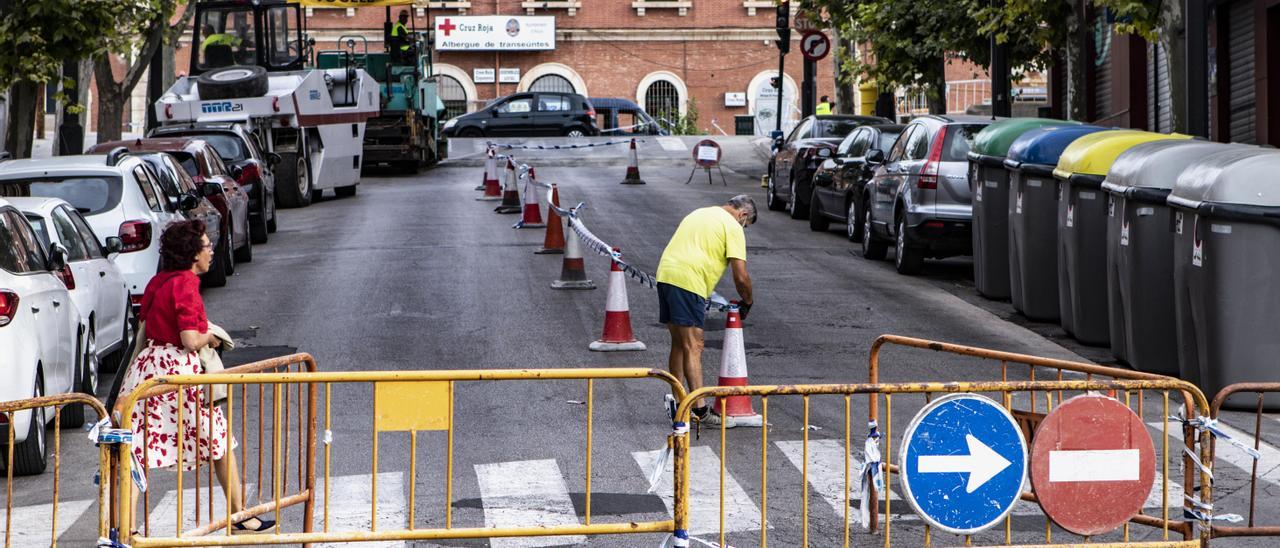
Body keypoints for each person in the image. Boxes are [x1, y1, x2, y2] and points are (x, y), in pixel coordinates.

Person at [115, 220, 273, 533]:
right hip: (177, 373)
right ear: (192, 253)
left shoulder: (158, 281)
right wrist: (210, 338)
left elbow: (146, 329)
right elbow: (189, 339)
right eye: (206, 245)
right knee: (218, 438)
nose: (211, 250)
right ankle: (240, 515)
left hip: (147, 369)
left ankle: (125, 530)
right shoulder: (186, 283)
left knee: (135, 450)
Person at [656, 195, 756, 423]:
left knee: (680, 344)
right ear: (742, 215)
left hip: (666, 274)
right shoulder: (733, 226)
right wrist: (748, 301)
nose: (744, 228)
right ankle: (700, 411)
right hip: (688, 281)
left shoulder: (700, 212)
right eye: (746, 225)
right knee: (694, 344)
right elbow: (741, 276)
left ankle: (679, 405)